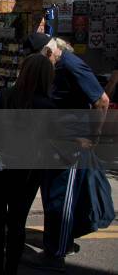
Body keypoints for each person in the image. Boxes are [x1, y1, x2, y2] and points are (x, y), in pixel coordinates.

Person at [23, 34, 110, 272]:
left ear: (49, 53)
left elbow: (102, 100)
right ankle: (61, 242)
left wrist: (94, 136)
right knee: (55, 196)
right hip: (57, 142)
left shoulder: (71, 64)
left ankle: (57, 253)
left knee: (61, 199)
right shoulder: (58, 65)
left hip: (72, 145)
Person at [0, 54, 56, 275]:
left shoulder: (2, 96)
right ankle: (11, 270)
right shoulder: (48, 107)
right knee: (17, 222)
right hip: (27, 172)